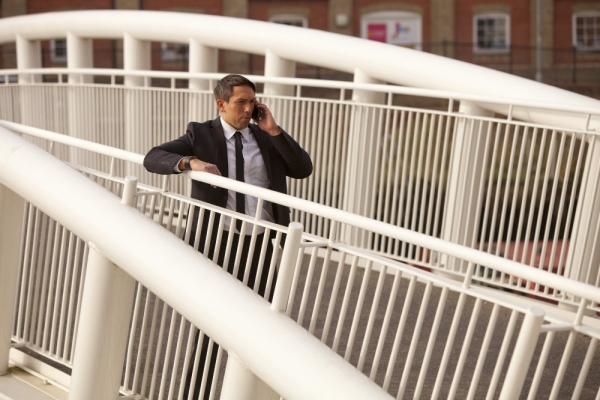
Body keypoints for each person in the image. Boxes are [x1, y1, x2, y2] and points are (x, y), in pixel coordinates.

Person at [143, 74, 312, 399]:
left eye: (252, 101)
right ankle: (198, 394)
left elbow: (302, 168)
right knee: (210, 330)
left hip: (261, 244)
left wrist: (274, 130)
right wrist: (189, 162)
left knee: (266, 329)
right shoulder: (200, 134)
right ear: (221, 104)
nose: (248, 108)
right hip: (218, 244)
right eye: (241, 102)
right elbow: (153, 157)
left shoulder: (265, 137)